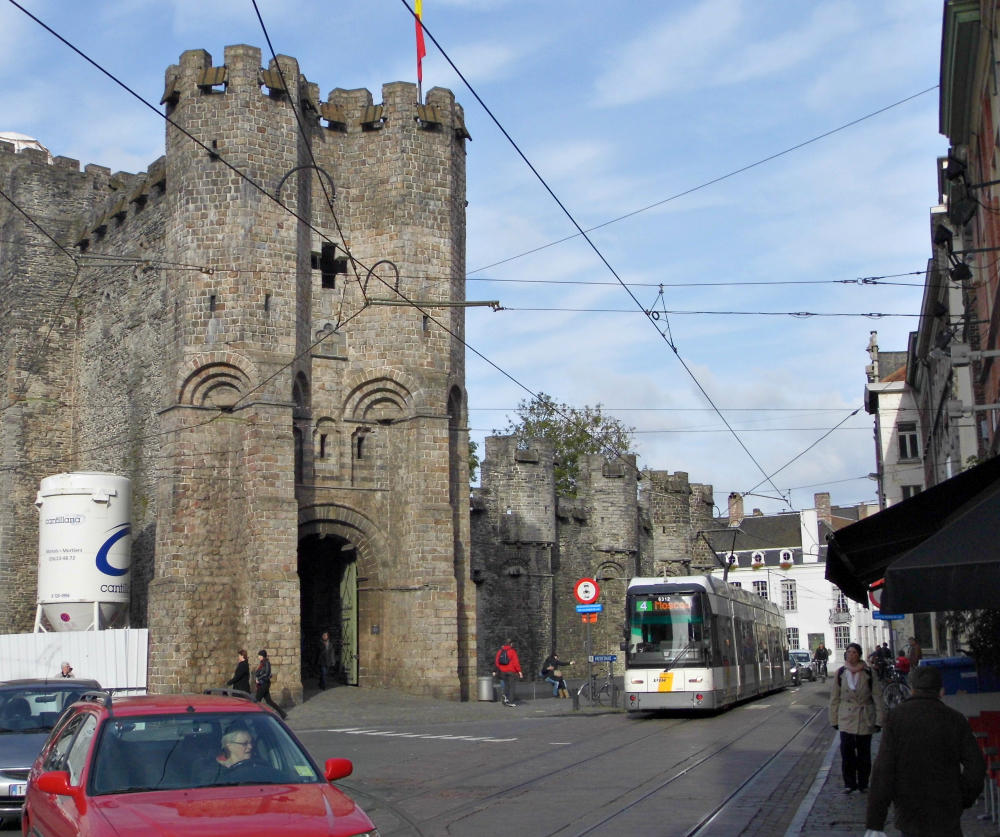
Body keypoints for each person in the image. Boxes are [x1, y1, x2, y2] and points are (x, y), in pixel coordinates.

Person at [865, 665, 985, 837]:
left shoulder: (896, 718)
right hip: (946, 808)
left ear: (912, 689)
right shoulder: (954, 719)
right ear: (941, 691)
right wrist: (962, 797)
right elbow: (976, 765)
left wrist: (875, 822)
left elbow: (883, 770)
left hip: (909, 808)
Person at [830, 642, 884, 794]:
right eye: (849, 652)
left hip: (865, 715)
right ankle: (849, 783)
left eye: (854, 652)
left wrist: (880, 719)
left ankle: (863, 783)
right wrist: (834, 719)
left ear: (859, 655)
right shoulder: (841, 673)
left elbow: (877, 696)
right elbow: (834, 698)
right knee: (846, 751)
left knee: (864, 752)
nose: (851, 655)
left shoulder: (868, 672)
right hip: (846, 716)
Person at [254, 650, 287, 720]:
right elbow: (263, 673)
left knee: (256, 701)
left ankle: (256, 716)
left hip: (263, 685)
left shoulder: (266, 663)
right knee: (269, 701)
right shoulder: (262, 663)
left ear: (263, 656)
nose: (258, 657)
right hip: (262, 684)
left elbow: (267, 673)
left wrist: (258, 678)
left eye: (259, 655)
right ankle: (282, 714)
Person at [494, 640, 522, 706]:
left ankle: (505, 699)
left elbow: (497, 662)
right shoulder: (512, 651)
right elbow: (516, 663)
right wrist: (519, 671)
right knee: (512, 687)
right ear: (511, 644)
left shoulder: (500, 651)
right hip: (511, 672)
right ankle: (510, 701)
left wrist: (497, 670)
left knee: (506, 686)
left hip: (503, 672)